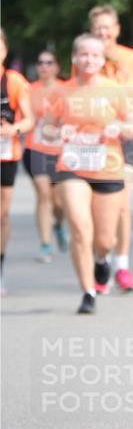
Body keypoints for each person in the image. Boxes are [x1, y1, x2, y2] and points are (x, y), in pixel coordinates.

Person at [43, 33, 133, 314]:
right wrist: (59, 132)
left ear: (102, 60)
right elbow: (46, 129)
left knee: (104, 239)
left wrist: (119, 129)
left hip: (108, 168)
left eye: (95, 55)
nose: (89, 60)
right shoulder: (61, 91)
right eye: (83, 54)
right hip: (72, 167)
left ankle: (101, 259)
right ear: (74, 58)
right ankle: (88, 291)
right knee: (79, 227)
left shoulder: (116, 90)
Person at [87, 5, 133, 293]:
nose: (103, 33)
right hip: (97, 138)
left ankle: (122, 267)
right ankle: (100, 260)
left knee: (121, 203)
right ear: (92, 31)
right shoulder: (86, 59)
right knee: (100, 206)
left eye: (108, 28)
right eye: (98, 29)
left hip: (129, 134)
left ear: (116, 29)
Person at [23, 50, 68, 262]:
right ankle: (45, 244)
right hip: (36, 149)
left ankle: (58, 225)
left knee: (59, 202)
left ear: (57, 67)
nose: (44, 66)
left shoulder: (68, 89)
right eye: (40, 62)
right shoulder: (29, 90)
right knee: (43, 194)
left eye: (49, 62)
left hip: (61, 152)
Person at [1, 28, 34, 294]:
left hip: (5, 155)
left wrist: (14, 129)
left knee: (1, 216)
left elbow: (29, 119)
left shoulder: (13, 81)